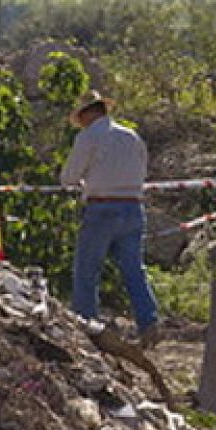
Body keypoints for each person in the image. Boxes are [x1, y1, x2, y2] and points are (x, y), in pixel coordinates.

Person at [60, 89, 161, 348]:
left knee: (87, 270)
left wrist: (85, 182)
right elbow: (142, 171)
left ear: (86, 114)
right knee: (133, 270)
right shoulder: (132, 137)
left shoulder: (88, 137)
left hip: (102, 209)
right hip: (133, 208)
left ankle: (86, 325)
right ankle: (149, 322)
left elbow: (69, 177)